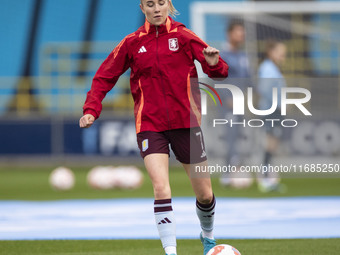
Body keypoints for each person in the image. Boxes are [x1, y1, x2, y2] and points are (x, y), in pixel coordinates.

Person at [79, 1, 229, 255]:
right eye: (151, 4)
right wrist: (91, 109)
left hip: (186, 125)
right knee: (161, 187)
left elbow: (221, 73)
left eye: (161, 3)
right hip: (150, 125)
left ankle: (208, 237)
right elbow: (104, 75)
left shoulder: (184, 36)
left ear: (168, 6)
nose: (157, 8)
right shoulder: (132, 43)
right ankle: (170, 252)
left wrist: (213, 63)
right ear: (142, 8)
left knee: (205, 195)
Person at [219, 20, 251, 187]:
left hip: (242, 104)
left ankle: (231, 171)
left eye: (243, 32)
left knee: (238, 136)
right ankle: (228, 174)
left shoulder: (243, 56)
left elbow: (249, 81)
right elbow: (216, 78)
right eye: (239, 31)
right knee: (231, 137)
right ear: (230, 34)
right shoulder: (223, 55)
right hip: (229, 105)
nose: (242, 35)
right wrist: (227, 98)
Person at [257, 40, 287, 193]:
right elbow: (264, 89)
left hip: (274, 110)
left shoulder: (272, 68)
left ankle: (268, 176)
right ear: (271, 52)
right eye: (280, 52)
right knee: (269, 144)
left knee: (272, 145)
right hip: (271, 110)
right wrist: (277, 104)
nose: (283, 56)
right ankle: (264, 177)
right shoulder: (268, 68)